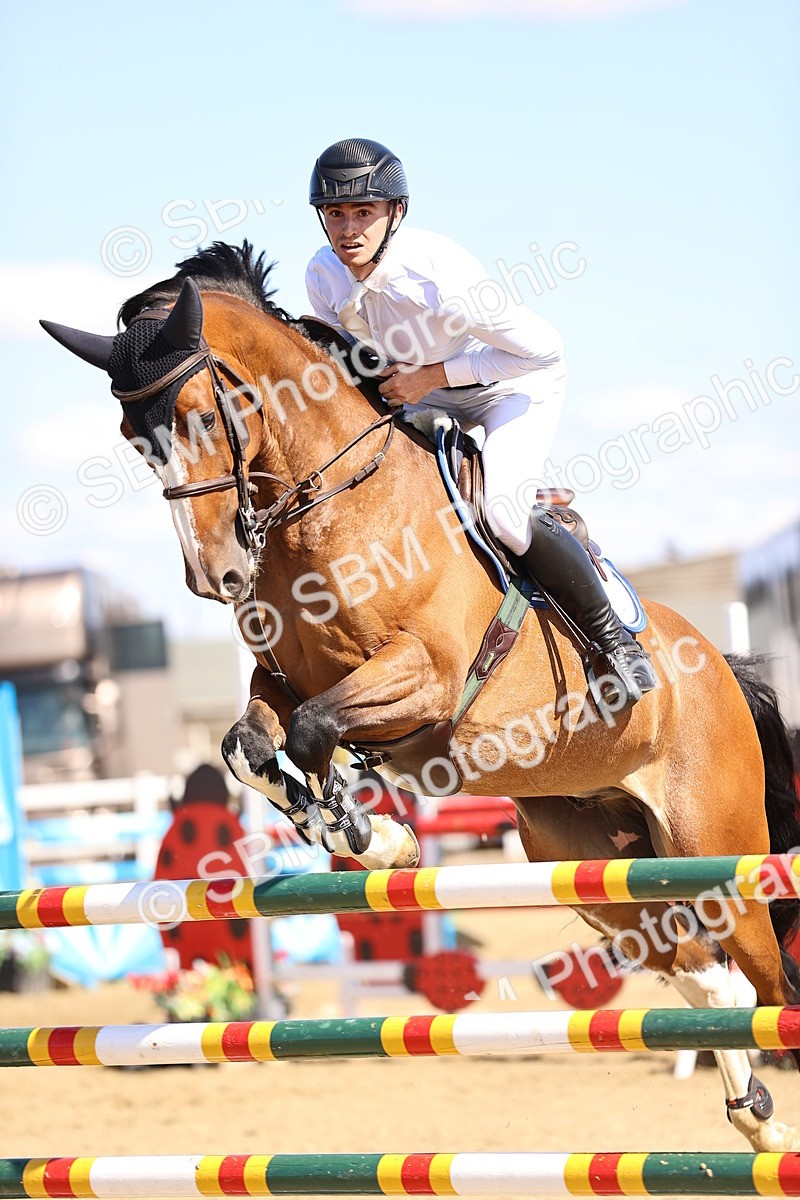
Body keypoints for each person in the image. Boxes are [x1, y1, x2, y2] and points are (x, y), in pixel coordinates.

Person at [305, 137, 655, 715]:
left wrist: (433, 374)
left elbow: (544, 351)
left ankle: (614, 643)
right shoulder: (324, 275)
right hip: (425, 393)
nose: (347, 229)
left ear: (396, 212)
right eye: (335, 214)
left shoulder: (440, 274)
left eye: (363, 212)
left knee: (502, 514)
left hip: (510, 387)